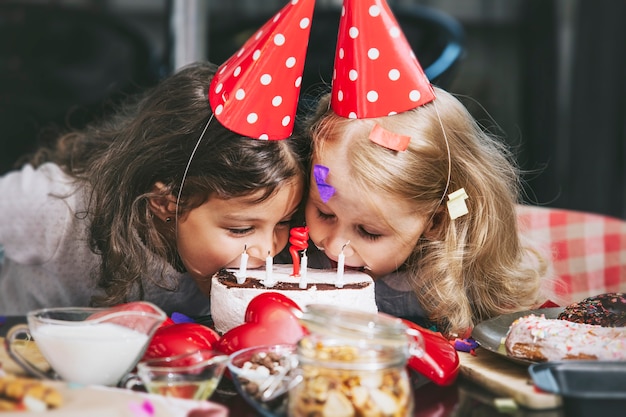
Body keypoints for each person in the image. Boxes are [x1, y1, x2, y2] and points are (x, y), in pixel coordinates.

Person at [0, 62, 308, 315]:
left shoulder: (260, 254)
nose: (269, 250)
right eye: (241, 229)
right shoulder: (57, 208)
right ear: (164, 202)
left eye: (283, 221)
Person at [301, 89, 549, 338]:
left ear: (436, 221)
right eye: (324, 213)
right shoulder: (287, 255)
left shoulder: (456, 288)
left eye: (369, 232)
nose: (334, 247)